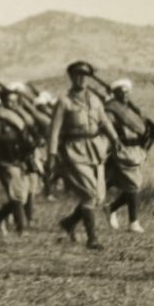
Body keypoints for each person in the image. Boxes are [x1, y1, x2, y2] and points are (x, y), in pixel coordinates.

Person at [45, 61, 121, 250]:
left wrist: (115, 139)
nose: (81, 79)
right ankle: (92, 239)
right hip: (73, 150)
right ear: (71, 77)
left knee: (99, 197)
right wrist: (52, 155)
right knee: (90, 193)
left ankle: (69, 222)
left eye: (85, 76)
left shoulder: (94, 100)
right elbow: (54, 130)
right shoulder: (64, 101)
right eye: (77, 75)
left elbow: (104, 121)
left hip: (95, 149)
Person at [0, 81, 36, 235]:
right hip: (6, 160)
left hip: (21, 160)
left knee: (22, 196)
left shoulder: (20, 118)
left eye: (15, 101)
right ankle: (21, 228)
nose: (12, 104)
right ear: (3, 101)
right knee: (17, 195)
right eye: (9, 101)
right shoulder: (0, 120)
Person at [103, 78, 153, 233]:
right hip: (121, 151)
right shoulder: (111, 110)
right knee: (133, 185)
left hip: (132, 151)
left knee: (127, 186)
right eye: (121, 92)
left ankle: (73, 220)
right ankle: (133, 222)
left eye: (127, 92)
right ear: (115, 94)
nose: (125, 95)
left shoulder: (131, 110)